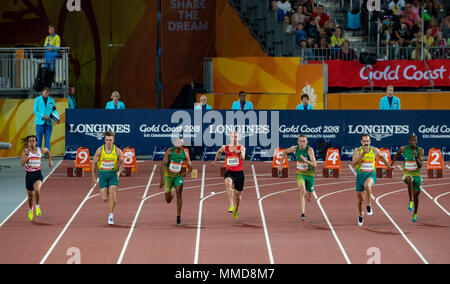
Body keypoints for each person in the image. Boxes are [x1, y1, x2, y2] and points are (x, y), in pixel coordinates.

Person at [352, 134, 392, 226]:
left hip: (371, 175)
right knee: (360, 200)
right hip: (360, 177)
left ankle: (369, 205)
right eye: (364, 141)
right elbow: (354, 163)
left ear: (370, 142)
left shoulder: (374, 150)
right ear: (361, 142)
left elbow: (382, 157)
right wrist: (363, 154)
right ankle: (361, 214)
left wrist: (388, 166)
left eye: (367, 141)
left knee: (368, 185)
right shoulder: (357, 150)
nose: (366, 143)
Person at [278, 134, 317, 221]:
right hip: (300, 174)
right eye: (300, 141)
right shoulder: (295, 148)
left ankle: (308, 194)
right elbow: (284, 152)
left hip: (310, 175)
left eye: (304, 141)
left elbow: (315, 165)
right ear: (298, 142)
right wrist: (280, 165)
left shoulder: (310, 150)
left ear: (307, 142)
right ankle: (303, 213)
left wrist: (305, 161)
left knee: (309, 198)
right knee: (302, 189)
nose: (302, 143)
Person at [211, 131, 246, 219]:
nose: (234, 139)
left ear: (238, 138)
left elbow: (243, 157)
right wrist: (215, 161)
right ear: (230, 138)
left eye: (236, 137)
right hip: (230, 171)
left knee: (238, 194)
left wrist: (238, 152)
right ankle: (231, 205)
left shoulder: (241, 147)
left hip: (239, 173)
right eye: (233, 137)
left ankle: (237, 209)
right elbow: (219, 151)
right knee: (228, 183)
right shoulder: (225, 147)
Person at [91, 131, 124, 225]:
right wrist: (93, 177)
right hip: (103, 175)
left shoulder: (117, 151)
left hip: (113, 174)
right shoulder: (100, 150)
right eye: (107, 140)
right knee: (105, 198)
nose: (108, 142)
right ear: (104, 140)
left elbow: (122, 162)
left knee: (112, 194)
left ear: (113, 140)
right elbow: (93, 164)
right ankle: (111, 200)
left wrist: (119, 172)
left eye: (110, 140)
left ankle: (111, 216)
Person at [390, 134, 424, 223]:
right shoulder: (403, 149)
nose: (413, 142)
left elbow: (420, 165)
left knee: (416, 195)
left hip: (417, 175)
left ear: (417, 141)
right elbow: (397, 155)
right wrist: (391, 163)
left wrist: (416, 158)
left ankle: (415, 213)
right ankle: (410, 201)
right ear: (409, 141)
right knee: (409, 180)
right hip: (407, 173)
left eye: (415, 141)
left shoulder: (420, 150)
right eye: (412, 141)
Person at [160, 138, 192, 225]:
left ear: (182, 146)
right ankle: (171, 192)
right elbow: (163, 166)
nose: (178, 148)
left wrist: (187, 173)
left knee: (179, 192)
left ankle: (178, 216)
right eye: (176, 146)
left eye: (179, 147)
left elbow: (190, 166)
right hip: (168, 177)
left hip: (178, 177)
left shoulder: (184, 154)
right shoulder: (169, 152)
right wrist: (162, 179)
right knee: (168, 200)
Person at [20, 135, 53, 221]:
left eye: (33, 141)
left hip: (38, 174)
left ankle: (37, 206)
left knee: (37, 190)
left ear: (36, 142)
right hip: (29, 176)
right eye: (30, 141)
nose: (32, 143)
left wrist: (50, 160)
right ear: (28, 143)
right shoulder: (25, 152)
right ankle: (30, 210)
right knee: (30, 197)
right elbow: (22, 164)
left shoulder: (40, 150)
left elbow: (48, 151)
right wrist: (27, 156)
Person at [33, 87, 60, 151]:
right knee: (39, 140)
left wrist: (57, 118)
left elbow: (55, 110)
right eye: (45, 93)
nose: (47, 94)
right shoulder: (37, 100)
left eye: (48, 93)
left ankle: (47, 155)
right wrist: (43, 116)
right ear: (42, 92)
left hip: (49, 123)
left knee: (47, 140)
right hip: (39, 123)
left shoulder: (51, 100)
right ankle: (38, 154)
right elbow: (35, 111)